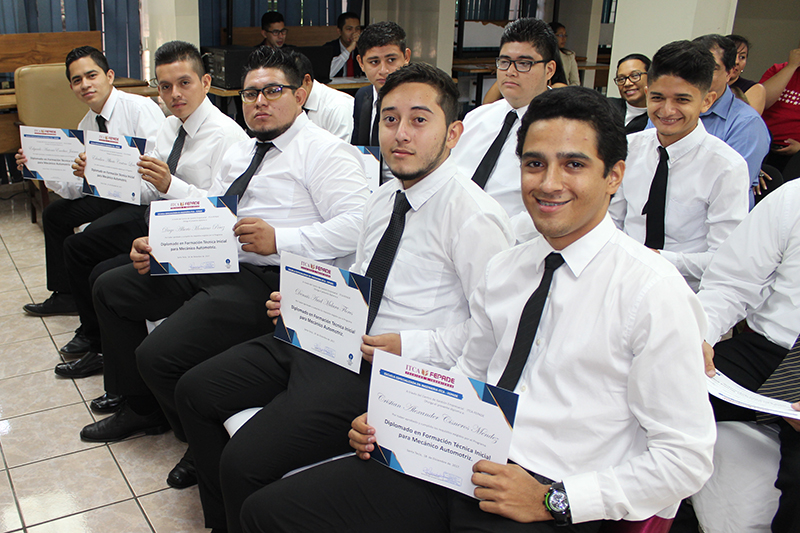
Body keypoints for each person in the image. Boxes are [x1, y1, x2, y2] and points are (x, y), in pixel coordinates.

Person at [238, 86, 716, 533]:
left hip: (552, 490)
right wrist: (400, 417)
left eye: (573, 165)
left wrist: (556, 500)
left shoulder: (652, 292)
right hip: (461, 457)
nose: (549, 184)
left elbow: (685, 458)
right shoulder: (509, 268)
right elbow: (470, 371)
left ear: (614, 175)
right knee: (268, 512)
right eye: (534, 164)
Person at [174, 62, 514, 533]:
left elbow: (492, 333)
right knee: (194, 390)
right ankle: (221, 521)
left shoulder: (473, 217)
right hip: (328, 337)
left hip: (379, 368)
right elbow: (359, 278)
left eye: (419, 120)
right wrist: (305, 298)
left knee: (242, 462)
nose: (400, 134)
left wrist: (406, 345)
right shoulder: (384, 196)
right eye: (390, 119)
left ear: (453, 132)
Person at [78, 47, 370, 489]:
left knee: (156, 356)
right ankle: (142, 408)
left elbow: (357, 226)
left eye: (273, 90)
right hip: (217, 257)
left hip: (269, 278)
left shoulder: (325, 153)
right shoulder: (243, 149)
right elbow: (212, 210)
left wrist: (281, 240)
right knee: (113, 287)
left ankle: (202, 445)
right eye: (251, 93)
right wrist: (160, 242)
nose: (259, 102)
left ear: (303, 90)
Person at [51, 41, 248, 389]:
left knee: (105, 280)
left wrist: (170, 184)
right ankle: (118, 375)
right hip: (159, 225)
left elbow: (222, 214)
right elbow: (145, 191)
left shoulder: (227, 136)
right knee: (91, 262)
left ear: (205, 82)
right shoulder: (169, 127)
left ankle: (130, 392)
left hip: (196, 242)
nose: (175, 94)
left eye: (184, 83)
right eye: (165, 86)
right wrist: (97, 173)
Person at [18, 46, 164, 320]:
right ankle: (66, 294)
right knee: (55, 214)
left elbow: (156, 172)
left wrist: (104, 169)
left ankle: (92, 314)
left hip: (142, 198)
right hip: (109, 196)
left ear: (109, 76)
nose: (85, 85)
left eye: (91, 75)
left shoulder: (139, 109)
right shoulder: (86, 124)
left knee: (90, 235)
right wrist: (42, 168)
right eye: (76, 80)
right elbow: (77, 188)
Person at [694, 178, 800, 533]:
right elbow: (730, 282)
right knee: (654, 394)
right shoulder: (793, 197)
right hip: (768, 350)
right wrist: (701, 337)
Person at [609, 40, 749, 291]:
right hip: (622, 279)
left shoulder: (726, 167)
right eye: (658, 97)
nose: (667, 110)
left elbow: (724, 258)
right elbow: (612, 222)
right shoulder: (628, 148)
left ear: (706, 101)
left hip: (685, 291)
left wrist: (655, 259)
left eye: (682, 99)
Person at [452, 18, 556, 242]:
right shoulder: (478, 117)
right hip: (450, 233)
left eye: (524, 63)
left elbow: (551, 204)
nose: (511, 71)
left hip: (511, 242)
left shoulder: (562, 127)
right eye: (505, 61)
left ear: (549, 69)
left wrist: (489, 234)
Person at [691, 34, 770, 208]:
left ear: (730, 72)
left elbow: (729, 187)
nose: (698, 74)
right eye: (691, 66)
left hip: (717, 218)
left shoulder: (747, 123)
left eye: (710, 68)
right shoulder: (669, 112)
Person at [350, 21, 411, 146]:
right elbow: (358, 150)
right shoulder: (362, 96)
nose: (383, 70)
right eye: (374, 62)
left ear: (406, 57)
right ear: (361, 63)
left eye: (391, 60)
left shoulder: (419, 101)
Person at [289, 51, 354, 142]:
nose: (284, 94)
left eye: (289, 87)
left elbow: (341, 153)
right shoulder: (286, 105)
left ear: (307, 80)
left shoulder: (338, 107)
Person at [760, 40, 800, 174]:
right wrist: (792, 66)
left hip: (795, 155)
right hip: (763, 145)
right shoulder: (778, 70)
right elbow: (763, 101)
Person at [608, 53, 650, 133]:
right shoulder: (607, 107)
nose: (627, 83)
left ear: (651, 77)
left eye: (634, 76)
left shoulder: (659, 117)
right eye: (621, 79)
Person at [727, 34, 767, 113]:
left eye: (742, 57)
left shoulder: (754, 89)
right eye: (732, 55)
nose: (736, 62)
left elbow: (747, 123)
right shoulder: (707, 84)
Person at [325, 11, 363, 79]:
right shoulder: (329, 48)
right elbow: (327, 74)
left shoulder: (363, 49)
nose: (354, 33)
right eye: (349, 29)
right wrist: (349, 49)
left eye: (357, 29)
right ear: (339, 31)